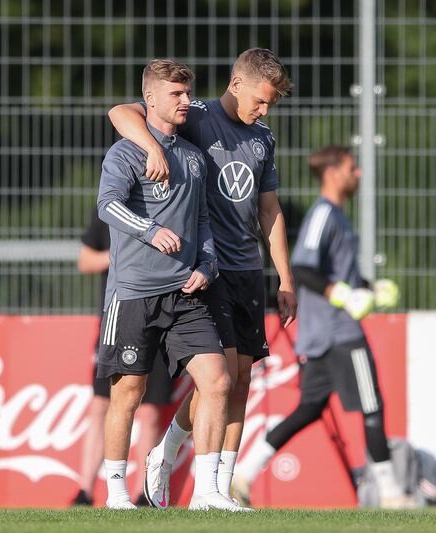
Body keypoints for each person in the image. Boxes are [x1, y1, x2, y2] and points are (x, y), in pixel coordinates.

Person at [108, 48, 297, 510]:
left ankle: (217, 487)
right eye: (261, 100)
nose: (264, 110)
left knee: (242, 380)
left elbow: (269, 210)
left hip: (247, 268)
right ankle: (173, 455)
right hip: (206, 269)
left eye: (271, 104)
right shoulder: (196, 115)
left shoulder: (263, 138)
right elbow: (122, 111)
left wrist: (284, 280)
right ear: (236, 85)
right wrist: (152, 147)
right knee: (221, 377)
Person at [231, 145, 410, 508]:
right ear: (331, 173)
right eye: (351, 168)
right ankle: (391, 494)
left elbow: (336, 273)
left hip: (322, 334)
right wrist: (343, 295)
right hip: (339, 332)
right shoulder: (324, 215)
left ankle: (245, 475)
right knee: (372, 405)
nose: (357, 174)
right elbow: (306, 268)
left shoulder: (338, 216)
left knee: (309, 408)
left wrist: (368, 287)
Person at [97, 58, 239, 511]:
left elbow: (201, 221)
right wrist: (149, 230)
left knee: (217, 382)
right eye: (175, 94)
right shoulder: (125, 153)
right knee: (128, 393)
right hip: (134, 293)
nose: (184, 101)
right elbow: (107, 206)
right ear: (151, 98)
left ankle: (208, 493)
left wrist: (208, 261)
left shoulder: (193, 158)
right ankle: (117, 494)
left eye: (186, 93)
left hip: (185, 293)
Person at [70, 210, 175, 507]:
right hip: (117, 320)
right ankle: (85, 492)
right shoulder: (110, 208)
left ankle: (146, 492)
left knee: (151, 410)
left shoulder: (168, 206)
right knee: (101, 404)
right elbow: (85, 260)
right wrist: (121, 256)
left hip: (161, 321)